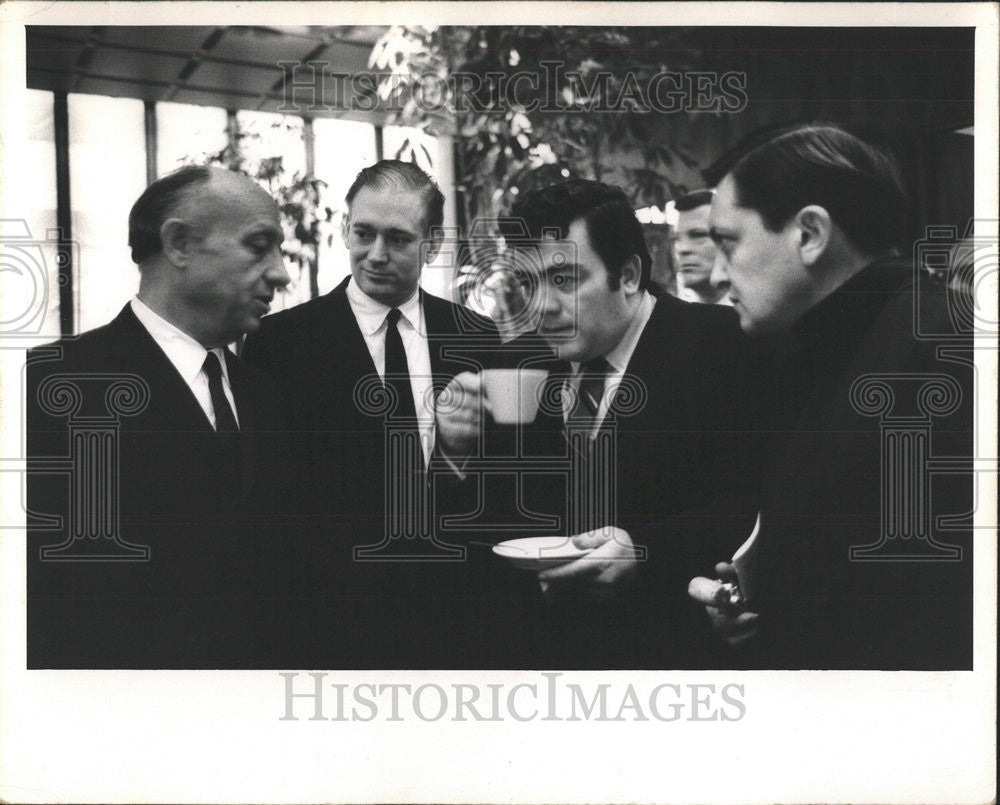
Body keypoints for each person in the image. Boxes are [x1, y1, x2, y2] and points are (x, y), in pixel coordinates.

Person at [438, 179, 760, 668]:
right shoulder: (519, 365)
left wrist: (645, 553)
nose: (540, 306)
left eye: (564, 279)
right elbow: (488, 521)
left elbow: (757, 505)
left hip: (673, 662)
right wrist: (455, 450)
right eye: (528, 283)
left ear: (628, 274)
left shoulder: (724, 348)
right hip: (539, 664)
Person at [688, 123, 974, 669]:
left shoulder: (945, 354)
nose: (720, 274)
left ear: (810, 234)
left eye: (727, 241)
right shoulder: (813, 347)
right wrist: (755, 605)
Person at [241, 159, 515, 668]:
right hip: (335, 617)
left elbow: (497, 487)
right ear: (345, 228)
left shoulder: (477, 338)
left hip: (456, 615)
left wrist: (457, 456)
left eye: (398, 239)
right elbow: (275, 500)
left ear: (431, 244)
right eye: (363, 233)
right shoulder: (280, 344)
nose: (376, 255)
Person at [27, 165, 292, 668]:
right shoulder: (51, 386)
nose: (281, 272)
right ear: (180, 245)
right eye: (260, 245)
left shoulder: (264, 391)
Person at [670, 189, 731, 305]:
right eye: (676, 239)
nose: (682, 249)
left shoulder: (761, 317)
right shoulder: (675, 316)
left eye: (698, 235)